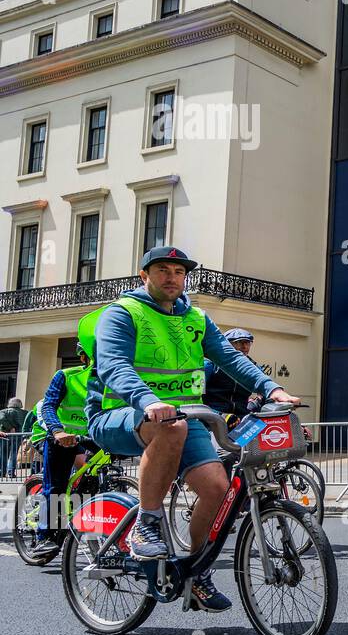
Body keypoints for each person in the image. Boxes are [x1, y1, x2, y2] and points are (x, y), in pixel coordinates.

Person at [85, 246, 299, 612]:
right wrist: (146, 400)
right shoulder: (123, 313)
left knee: (218, 488)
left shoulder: (196, 318)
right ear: (144, 276)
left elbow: (230, 358)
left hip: (184, 417)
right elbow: (112, 364)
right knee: (171, 428)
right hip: (120, 411)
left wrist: (271, 389)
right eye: (163, 269)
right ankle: (146, 525)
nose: (172, 277)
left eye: (179, 271)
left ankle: (197, 571)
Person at [27, 344, 95, 552]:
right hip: (57, 438)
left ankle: (77, 517)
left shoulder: (108, 381)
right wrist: (57, 431)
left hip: (84, 438)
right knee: (56, 487)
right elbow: (48, 406)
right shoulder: (65, 376)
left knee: (91, 478)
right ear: (83, 357)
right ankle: (43, 536)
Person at [203, 328, 264, 419]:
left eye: (247, 342)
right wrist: (220, 416)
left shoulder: (254, 368)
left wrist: (256, 402)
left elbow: (265, 391)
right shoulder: (209, 364)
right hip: (213, 418)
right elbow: (195, 399)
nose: (244, 347)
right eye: (239, 342)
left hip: (243, 418)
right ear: (227, 344)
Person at [1, 397, 25, 477]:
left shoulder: (3, 411)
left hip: (5, 435)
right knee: (14, 454)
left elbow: (2, 419)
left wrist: (10, 427)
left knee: (3, 454)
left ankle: (2, 472)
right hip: (18, 436)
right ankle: (11, 473)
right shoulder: (24, 412)